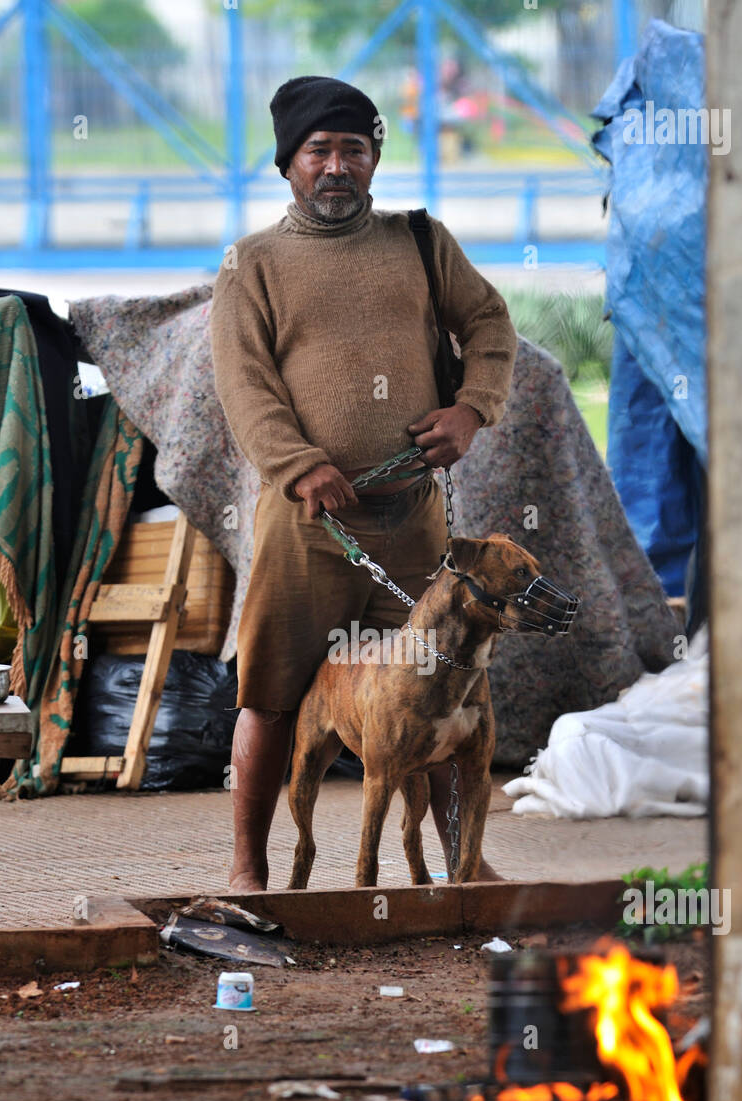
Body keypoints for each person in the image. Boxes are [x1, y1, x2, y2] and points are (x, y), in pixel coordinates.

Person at [210, 74, 517, 892]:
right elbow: (244, 384)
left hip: (413, 519)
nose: (337, 166)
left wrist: (470, 410)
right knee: (274, 693)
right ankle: (248, 870)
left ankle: (465, 867)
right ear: (288, 165)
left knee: (445, 689)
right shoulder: (254, 264)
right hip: (304, 524)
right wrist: (298, 463)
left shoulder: (420, 240)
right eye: (320, 151)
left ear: (374, 159)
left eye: (354, 148)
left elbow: (488, 322)